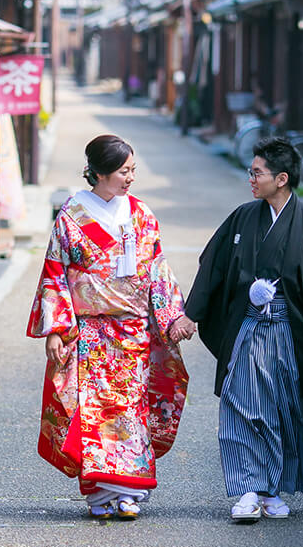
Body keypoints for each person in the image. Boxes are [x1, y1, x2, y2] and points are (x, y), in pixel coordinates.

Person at [184, 136, 303, 522]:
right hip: (250, 328)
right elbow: (214, 268)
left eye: (257, 172)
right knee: (241, 406)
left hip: (291, 331)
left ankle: (271, 489)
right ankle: (247, 489)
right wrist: (193, 312)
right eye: (251, 172)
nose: (251, 179)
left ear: (281, 178)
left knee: (285, 411)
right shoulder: (242, 217)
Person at [27, 134, 196, 521]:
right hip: (90, 333)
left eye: (133, 170)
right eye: (124, 170)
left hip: (133, 330)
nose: (130, 178)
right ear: (100, 172)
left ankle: (127, 492)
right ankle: (100, 494)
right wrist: (56, 328)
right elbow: (55, 274)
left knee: (130, 407)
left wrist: (172, 318)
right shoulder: (71, 216)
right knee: (92, 411)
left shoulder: (141, 214)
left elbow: (158, 270)